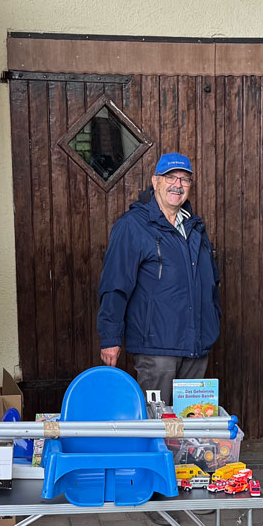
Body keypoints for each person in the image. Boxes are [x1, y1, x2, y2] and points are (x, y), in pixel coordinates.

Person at [96, 152, 221, 407]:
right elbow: (115, 284)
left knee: (191, 424)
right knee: (155, 424)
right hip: (156, 350)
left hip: (196, 349)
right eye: (170, 177)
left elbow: (211, 282)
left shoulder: (195, 227)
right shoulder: (133, 226)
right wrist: (110, 338)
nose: (178, 185)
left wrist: (212, 323)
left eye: (184, 179)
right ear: (155, 181)